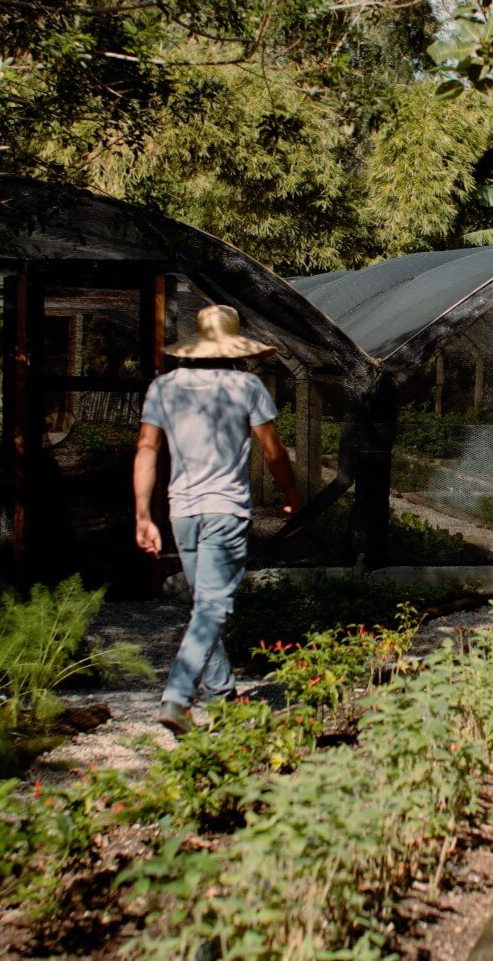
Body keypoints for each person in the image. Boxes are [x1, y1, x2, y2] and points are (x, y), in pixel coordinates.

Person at [133, 304, 300, 735]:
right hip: (225, 509)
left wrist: (142, 515)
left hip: (181, 511)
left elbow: (147, 451)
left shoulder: (164, 387)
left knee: (203, 605)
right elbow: (272, 450)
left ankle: (223, 697)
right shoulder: (247, 386)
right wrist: (292, 491)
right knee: (212, 606)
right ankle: (177, 698)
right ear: (235, 348)